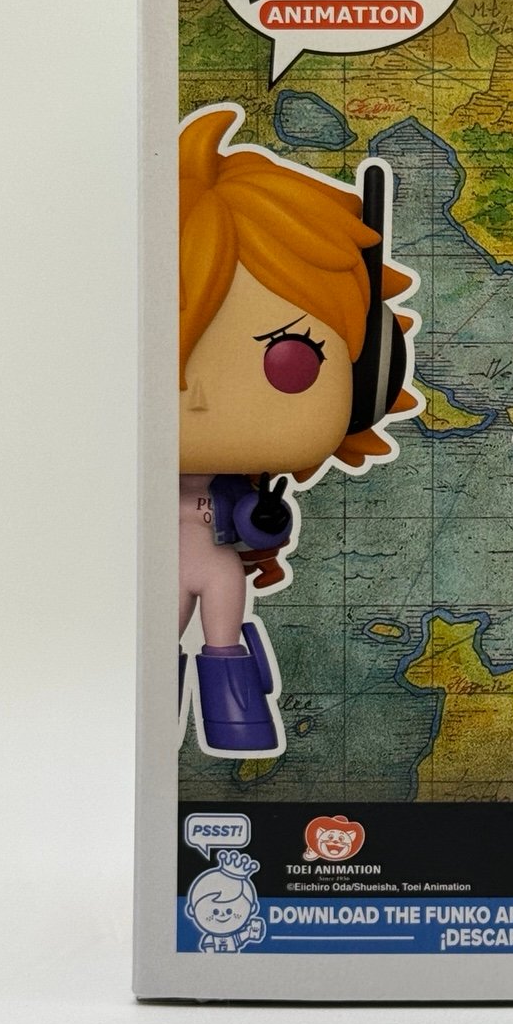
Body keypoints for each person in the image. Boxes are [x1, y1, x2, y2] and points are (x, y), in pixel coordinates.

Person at [178, 103, 419, 756]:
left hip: (219, 565)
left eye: (288, 360)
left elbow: (261, 527)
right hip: (157, 573)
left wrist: (261, 518)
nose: (197, 396)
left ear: (368, 377)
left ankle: (235, 717)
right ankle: (140, 723)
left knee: (223, 633)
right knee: (150, 646)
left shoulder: (240, 483)